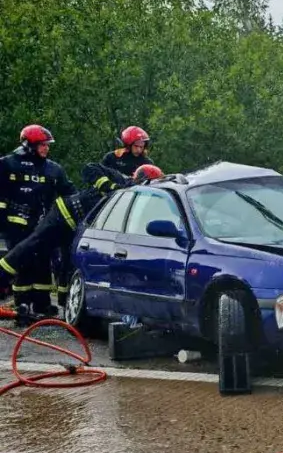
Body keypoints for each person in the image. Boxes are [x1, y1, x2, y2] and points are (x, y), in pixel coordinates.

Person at [0, 163, 163, 321]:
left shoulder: (134, 196)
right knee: (31, 246)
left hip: (76, 227)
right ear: (143, 179)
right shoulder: (120, 180)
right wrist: (109, 186)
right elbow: (89, 168)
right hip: (63, 213)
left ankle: (65, 306)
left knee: (68, 266)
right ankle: (1, 274)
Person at [0, 125, 75, 314]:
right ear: (28, 145)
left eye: (47, 145)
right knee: (22, 262)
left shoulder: (54, 169)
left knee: (43, 262)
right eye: (42, 145)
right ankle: (22, 303)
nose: (46, 149)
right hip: (15, 224)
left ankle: (42, 304)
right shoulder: (7, 164)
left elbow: (69, 192)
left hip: (43, 225)